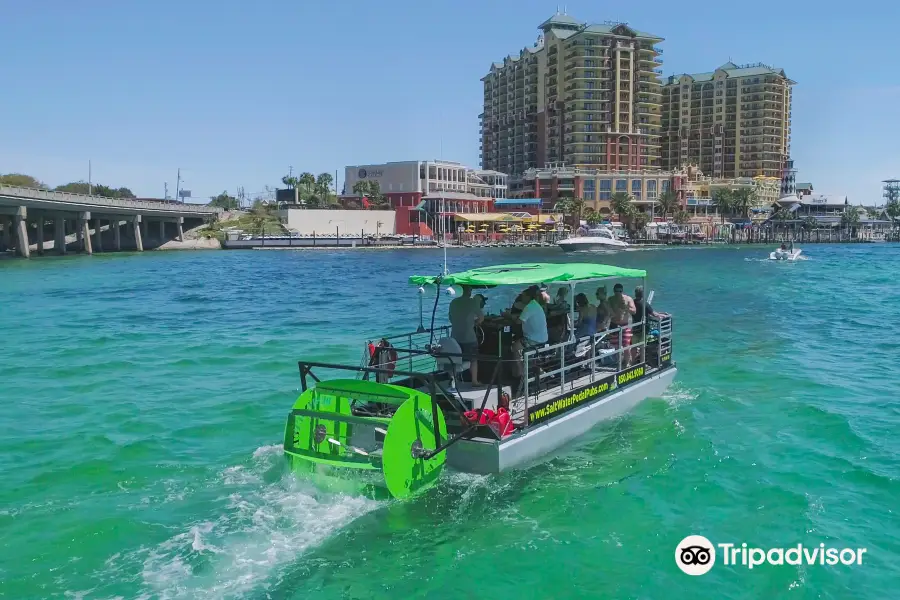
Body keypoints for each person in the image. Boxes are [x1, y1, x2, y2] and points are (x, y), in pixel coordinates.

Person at [510, 285, 550, 377]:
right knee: (524, 347)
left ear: (528, 296)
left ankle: (520, 372)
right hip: (543, 338)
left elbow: (518, 321)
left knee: (514, 347)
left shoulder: (529, 307)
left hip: (534, 339)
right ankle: (536, 370)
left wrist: (509, 316)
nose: (522, 298)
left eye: (523, 296)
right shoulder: (535, 305)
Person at [449, 284, 484, 385]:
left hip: (455, 337)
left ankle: (455, 380)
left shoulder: (453, 302)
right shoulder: (472, 302)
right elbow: (481, 318)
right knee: (473, 359)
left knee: (455, 360)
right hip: (469, 337)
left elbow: (451, 318)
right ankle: (474, 381)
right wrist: (474, 323)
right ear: (469, 291)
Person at [632, 286, 668, 363]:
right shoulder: (644, 304)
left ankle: (632, 362)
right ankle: (641, 363)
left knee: (634, 346)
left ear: (635, 293)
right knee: (642, 347)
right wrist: (663, 315)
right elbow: (654, 314)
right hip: (643, 329)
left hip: (634, 327)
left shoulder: (633, 302)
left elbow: (650, 313)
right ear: (642, 294)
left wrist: (659, 313)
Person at [607, 283, 636, 368]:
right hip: (614, 325)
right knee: (616, 346)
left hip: (625, 325)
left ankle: (627, 363)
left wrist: (626, 307)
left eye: (620, 291)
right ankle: (619, 362)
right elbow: (608, 311)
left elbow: (634, 311)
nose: (618, 293)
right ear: (614, 291)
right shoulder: (611, 299)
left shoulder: (628, 299)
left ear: (622, 291)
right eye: (616, 291)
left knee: (626, 345)